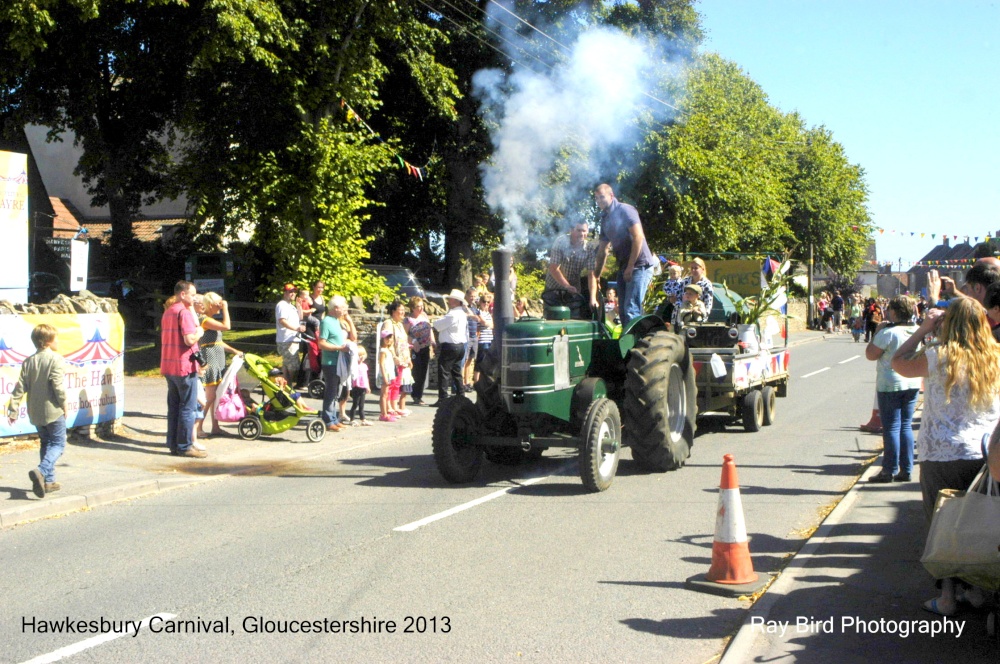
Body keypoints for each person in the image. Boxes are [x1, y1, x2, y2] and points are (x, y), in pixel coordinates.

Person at [891, 298, 1000, 616]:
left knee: (943, 526)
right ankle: (980, 590)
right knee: (983, 523)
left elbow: (897, 361)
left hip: (942, 454)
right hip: (985, 453)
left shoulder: (938, 355)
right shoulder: (995, 356)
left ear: (948, 325)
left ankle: (949, 597)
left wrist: (924, 328)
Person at [865, 296, 922, 483]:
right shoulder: (916, 331)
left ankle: (888, 470)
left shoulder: (888, 333)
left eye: (890, 310)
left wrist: (877, 332)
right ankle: (906, 469)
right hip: (911, 382)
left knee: (891, 427)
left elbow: (870, 355)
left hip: (890, 384)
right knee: (905, 425)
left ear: (895, 312)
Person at [7, 324, 68, 498]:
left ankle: (48, 481)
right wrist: (64, 404)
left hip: (35, 411)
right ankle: (41, 471)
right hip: (53, 410)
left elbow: (20, 387)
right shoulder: (56, 359)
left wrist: (13, 409)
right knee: (58, 444)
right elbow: (58, 386)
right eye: (55, 338)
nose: (58, 341)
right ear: (48, 342)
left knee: (45, 443)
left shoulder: (28, 361)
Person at [592, 183, 657, 326]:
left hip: (640, 265)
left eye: (602, 197)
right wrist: (596, 275)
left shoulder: (626, 210)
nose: (599, 201)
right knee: (622, 311)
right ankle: (628, 342)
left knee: (630, 309)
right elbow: (603, 249)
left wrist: (630, 266)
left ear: (611, 195)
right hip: (623, 267)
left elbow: (638, 237)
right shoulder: (604, 219)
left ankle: (634, 345)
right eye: (596, 199)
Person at [160, 281, 207, 458]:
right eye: (192, 294)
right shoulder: (183, 313)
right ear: (182, 294)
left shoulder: (168, 312)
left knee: (173, 407)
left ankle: (173, 443)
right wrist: (200, 333)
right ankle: (185, 446)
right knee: (187, 407)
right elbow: (189, 339)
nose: (194, 298)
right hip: (184, 366)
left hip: (168, 365)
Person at [194, 292, 239, 437]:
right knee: (210, 396)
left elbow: (217, 342)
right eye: (218, 303)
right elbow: (227, 326)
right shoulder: (204, 320)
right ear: (211, 304)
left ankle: (215, 426)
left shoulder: (211, 319)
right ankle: (198, 427)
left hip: (218, 358)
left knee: (216, 396)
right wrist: (226, 308)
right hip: (210, 359)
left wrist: (233, 350)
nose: (220, 305)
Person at [542, 219, 597, 319]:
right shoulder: (561, 242)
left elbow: (591, 275)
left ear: (588, 231)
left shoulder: (589, 248)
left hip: (574, 291)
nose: (581, 234)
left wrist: (593, 298)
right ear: (571, 230)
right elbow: (554, 268)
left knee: (574, 319)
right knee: (551, 319)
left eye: (584, 231)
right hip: (553, 289)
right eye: (579, 230)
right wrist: (566, 286)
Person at [318, 294, 350, 432]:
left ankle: (334, 418)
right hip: (330, 362)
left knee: (336, 391)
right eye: (343, 307)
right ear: (335, 308)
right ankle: (328, 420)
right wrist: (339, 348)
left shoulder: (337, 321)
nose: (344, 309)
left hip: (339, 362)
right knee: (331, 391)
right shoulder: (326, 321)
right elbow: (321, 343)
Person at [432, 289, 469, 404]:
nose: (448, 301)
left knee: (444, 372)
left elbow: (438, 325)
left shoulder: (452, 314)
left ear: (456, 301)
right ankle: (461, 395)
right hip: (460, 346)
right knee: (457, 372)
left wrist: (435, 321)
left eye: (451, 299)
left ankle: (443, 398)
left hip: (450, 346)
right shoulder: (462, 313)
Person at [404, 297, 435, 406]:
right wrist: (413, 341)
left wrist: (433, 342)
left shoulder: (425, 316)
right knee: (416, 372)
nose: (421, 308)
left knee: (423, 372)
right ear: (412, 308)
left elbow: (429, 330)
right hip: (415, 349)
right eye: (418, 306)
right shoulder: (408, 320)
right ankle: (415, 395)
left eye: (422, 306)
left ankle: (419, 395)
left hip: (425, 347)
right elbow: (404, 334)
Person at [386, 300, 412, 416]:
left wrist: (408, 358)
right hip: (392, 358)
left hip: (402, 359)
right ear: (393, 311)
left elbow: (404, 343)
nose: (402, 313)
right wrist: (393, 356)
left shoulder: (400, 324)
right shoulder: (388, 323)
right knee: (391, 384)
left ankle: (394, 406)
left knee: (397, 384)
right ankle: (388, 407)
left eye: (403, 310)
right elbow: (387, 341)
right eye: (400, 310)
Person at [275, 284, 305, 384]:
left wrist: (298, 306)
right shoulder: (282, 305)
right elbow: (282, 321)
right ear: (284, 293)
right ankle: (287, 384)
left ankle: (284, 386)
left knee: (287, 364)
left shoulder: (291, 306)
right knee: (292, 365)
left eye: (294, 292)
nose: (292, 294)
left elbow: (300, 318)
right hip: (286, 339)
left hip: (293, 339)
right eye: (290, 291)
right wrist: (296, 328)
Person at [348, 346, 372, 426]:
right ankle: (352, 419)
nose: (361, 357)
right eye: (359, 355)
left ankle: (363, 419)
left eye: (363, 355)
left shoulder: (364, 366)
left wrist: (367, 387)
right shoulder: (354, 366)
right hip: (356, 387)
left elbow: (366, 377)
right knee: (355, 404)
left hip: (363, 387)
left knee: (361, 405)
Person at [378, 328, 399, 422]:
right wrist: (385, 377)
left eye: (391, 338)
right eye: (387, 338)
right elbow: (381, 364)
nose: (389, 340)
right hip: (385, 375)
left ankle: (386, 412)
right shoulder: (383, 350)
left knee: (386, 394)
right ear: (383, 339)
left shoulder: (388, 350)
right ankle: (383, 414)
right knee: (384, 395)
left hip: (389, 374)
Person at [462, 288, 480, 392]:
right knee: (464, 360)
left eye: (474, 296)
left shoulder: (474, 307)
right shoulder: (464, 307)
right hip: (467, 336)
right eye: (471, 296)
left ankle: (467, 381)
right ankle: (463, 383)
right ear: (466, 296)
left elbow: (477, 320)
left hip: (474, 336)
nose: (472, 298)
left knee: (470, 360)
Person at [475, 292, 494, 383]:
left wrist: (489, 324)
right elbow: (484, 323)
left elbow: (492, 325)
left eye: (488, 302)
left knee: (487, 361)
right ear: (480, 302)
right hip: (482, 340)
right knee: (480, 360)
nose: (486, 304)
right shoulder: (479, 312)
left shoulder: (488, 313)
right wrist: (488, 324)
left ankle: (484, 380)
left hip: (489, 339)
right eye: (484, 301)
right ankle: (476, 380)